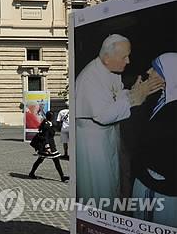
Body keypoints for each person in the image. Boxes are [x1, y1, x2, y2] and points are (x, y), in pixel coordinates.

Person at [75, 34, 164, 205]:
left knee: (111, 186)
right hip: (93, 146)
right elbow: (104, 115)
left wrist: (132, 93)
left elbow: (116, 96)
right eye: (124, 57)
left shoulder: (110, 71)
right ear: (107, 58)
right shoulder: (90, 78)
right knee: (99, 190)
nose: (128, 61)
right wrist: (133, 98)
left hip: (106, 139)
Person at [130, 53, 176, 226]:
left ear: (169, 73)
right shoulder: (161, 100)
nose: (149, 71)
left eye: (155, 69)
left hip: (161, 192)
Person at [28, 111, 69, 182]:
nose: (53, 117)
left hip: (50, 145)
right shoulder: (46, 125)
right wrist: (47, 147)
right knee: (46, 160)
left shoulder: (48, 123)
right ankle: (62, 177)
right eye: (52, 116)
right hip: (48, 146)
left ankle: (62, 177)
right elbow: (45, 137)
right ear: (50, 117)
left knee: (42, 160)